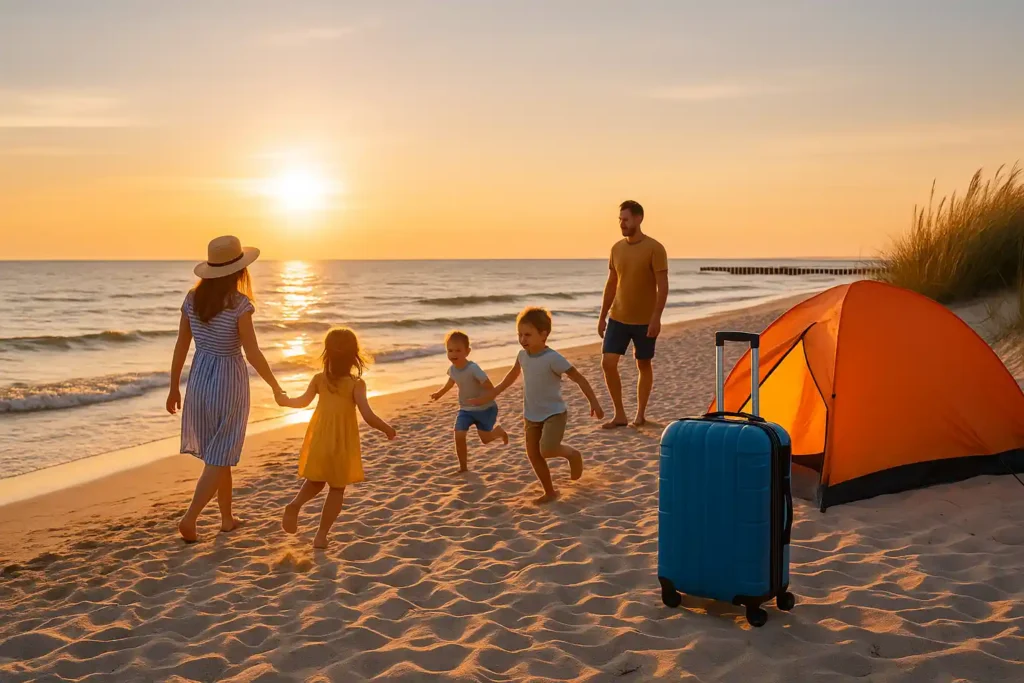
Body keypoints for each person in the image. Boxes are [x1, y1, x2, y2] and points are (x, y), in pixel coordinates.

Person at [167, 235, 284, 543]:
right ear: (239, 271)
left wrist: (173, 387)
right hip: (228, 380)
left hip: (200, 378)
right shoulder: (240, 305)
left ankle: (227, 519)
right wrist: (275, 386)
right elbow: (253, 353)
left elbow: (182, 344)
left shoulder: (193, 299)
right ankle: (190, 518)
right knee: (220, 455)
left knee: (220, 454)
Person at [276, 327, 397, 549]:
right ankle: (321, 536)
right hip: (341, 442)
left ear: (327, 354)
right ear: (354, 356)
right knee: (337, 489)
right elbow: (368, 415)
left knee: (315, 480)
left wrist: (284, 401)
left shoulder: (319, 380)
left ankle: (295, 504)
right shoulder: (356, 384)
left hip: (320, 439)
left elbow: (302, 403)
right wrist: (386, 428)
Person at [469, 307, 604, 504]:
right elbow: (511, 377)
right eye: (520, 334)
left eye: (528, 335)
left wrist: (594, 401)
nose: (523, 339)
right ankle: (550, 492)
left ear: (543, 334)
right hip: (531, 415)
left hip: (554, 414)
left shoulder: (553, 358)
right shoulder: (522, 356)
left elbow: (579, 379)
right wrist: (491, 394)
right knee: (533, 454)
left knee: (547, 449)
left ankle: (573, 454)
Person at [598, 200, 669, 428]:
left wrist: (656, 317)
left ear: (638, 219)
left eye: (626, 219)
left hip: (644, 320)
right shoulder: (616, 249)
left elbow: (663, 285)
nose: (622, 223)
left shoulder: (655, 248)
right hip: (617, 317)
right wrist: (601, 316)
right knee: (608, 363)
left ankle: (640, 414)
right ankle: (620, 414)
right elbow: (611, 284)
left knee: (643, 364)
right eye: (620, 219)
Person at [430, 330, 509, 472]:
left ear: (467, 351)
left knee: (485, 439)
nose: (453, 354)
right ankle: (463, 467)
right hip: (465, 409)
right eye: (450, 350)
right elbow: (450, 383)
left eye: (458, 350)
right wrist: (439, 393)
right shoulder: (452, 369)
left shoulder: (473, 368)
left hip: (485, 408)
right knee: (459, 435)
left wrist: (482, 398)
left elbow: (489, 385)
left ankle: (499, 432)